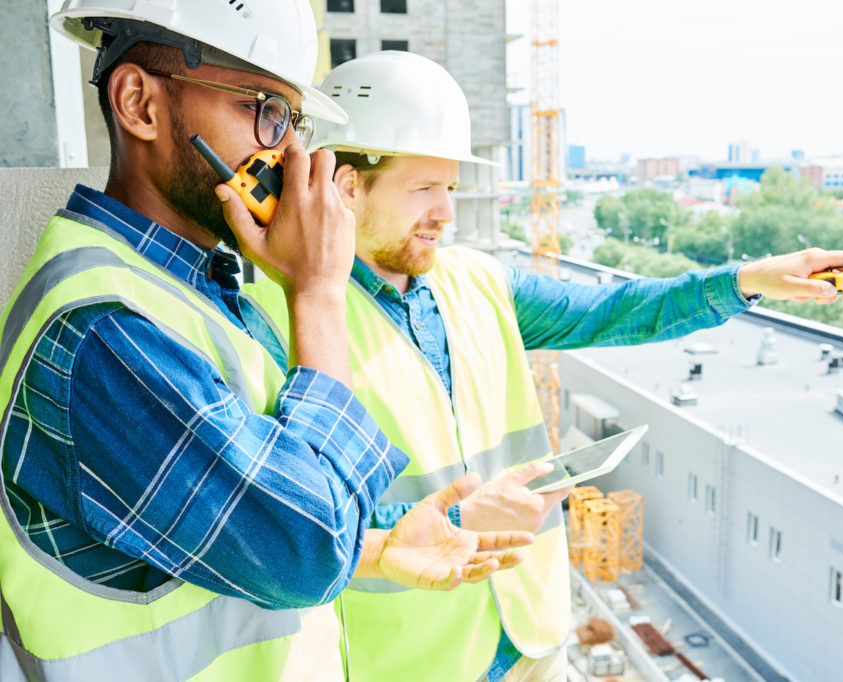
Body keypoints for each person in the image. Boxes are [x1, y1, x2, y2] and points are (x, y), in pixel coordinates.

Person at [246, 51, 843, 682]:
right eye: (424, 189)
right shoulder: (282, 320)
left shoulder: (477, 282)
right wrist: (459, 522)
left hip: (531, 636)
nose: (447, 213)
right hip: (414, 661)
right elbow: (284, 530)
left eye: (451, 189)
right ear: (349, 188)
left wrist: (751, 279)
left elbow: (619, 309)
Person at [0, 4, 531, 680]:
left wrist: (372, 547)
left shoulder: (195, 293)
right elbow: (307, 549)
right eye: (265, 111)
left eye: (294, 124)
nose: (286, 157)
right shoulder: (103, 330)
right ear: (140, 104)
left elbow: (237, 520)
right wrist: (317, 292)